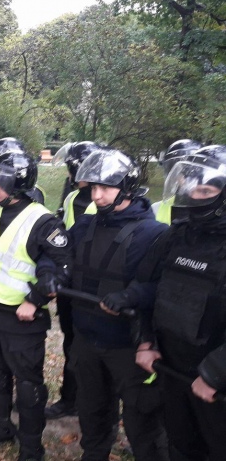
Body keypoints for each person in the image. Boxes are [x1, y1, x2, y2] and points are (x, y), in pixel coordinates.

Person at [0, 151, 71, 461]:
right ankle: (0, 427)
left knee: (29, 386)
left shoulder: (42, 221)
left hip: (22, 319)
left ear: (17, 185)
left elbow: (59, 269)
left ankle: (32, 448)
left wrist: (35, 300)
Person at [62, 148, 169, 461]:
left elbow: (162, 287)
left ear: (127, 188)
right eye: (93, 188)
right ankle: (94, 453)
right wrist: (53, 275)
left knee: (141, 418)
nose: (97, 195)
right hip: (86, 338)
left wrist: (130, 296)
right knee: (91, 407)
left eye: (104, 188)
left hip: (128, 345)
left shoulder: (154, 234)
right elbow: (60, 258)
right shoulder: (84, 225)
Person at [134, 144, 226, 461]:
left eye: (203, 190)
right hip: (173, 371)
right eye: (189, 188)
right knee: (180, 445)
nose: (192, 197)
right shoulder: (175, 236)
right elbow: (149, 288)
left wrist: (217, 373)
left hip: (215, 386)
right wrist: (146, 340)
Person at [45, 140, 100, 420]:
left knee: (94, 349)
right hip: (70, 285)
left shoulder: (106, 201)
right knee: (70, 343)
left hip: (95, 288)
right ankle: (70, 399)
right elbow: (63, 240)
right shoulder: (70, 199)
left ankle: (94, 405)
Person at [152, 139, 203, 224]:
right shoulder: (155, 209)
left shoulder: (215, 209)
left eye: (190, 171)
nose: (184, 177)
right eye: (178, 171)